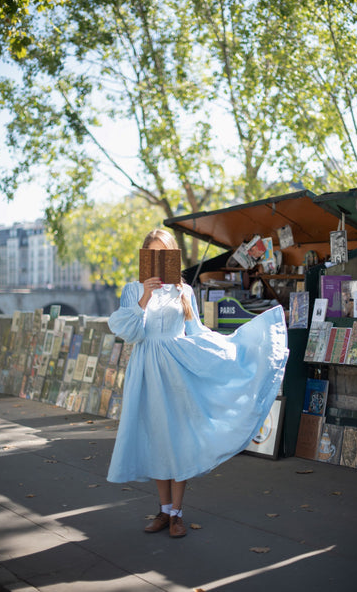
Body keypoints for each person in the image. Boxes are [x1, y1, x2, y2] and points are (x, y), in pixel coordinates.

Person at [106, 229, 289, 538]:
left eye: (164, 253)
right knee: (156, 438)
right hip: (146, 370)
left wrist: (232, 347)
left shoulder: (184, 290)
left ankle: (176, 514)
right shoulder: (131, 289)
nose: (158, 259)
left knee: (178, 439)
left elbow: (196, 332)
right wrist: (145, 296)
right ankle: (163, 511)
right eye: (152, 254)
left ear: (172, 256)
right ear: (144, 257)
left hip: (179, 369)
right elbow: (131, 333)